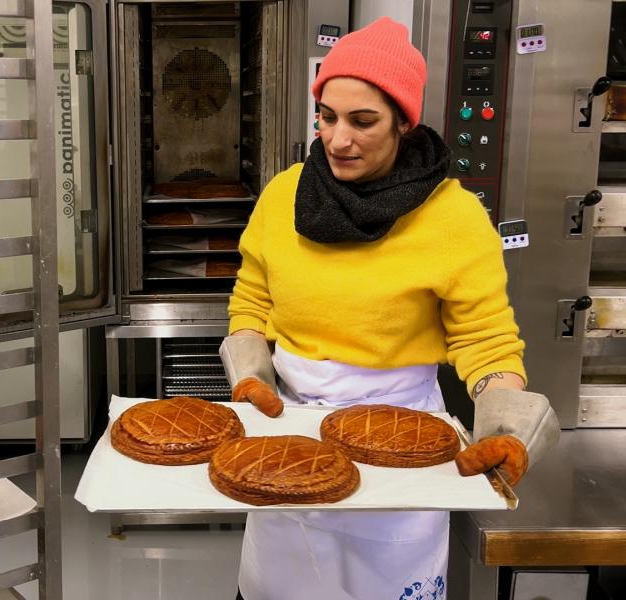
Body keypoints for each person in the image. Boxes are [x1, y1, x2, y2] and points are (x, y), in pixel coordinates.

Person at [219, 17, 560, 600]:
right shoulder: (285, 195)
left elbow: (485, 338)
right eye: (326, 117)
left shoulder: (452, 217)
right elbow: (253, 295)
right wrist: (251, 372)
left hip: (406, 442)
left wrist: (506, 423)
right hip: (292, 430)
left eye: (363, 120)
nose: (338, 139)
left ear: (405, 120)